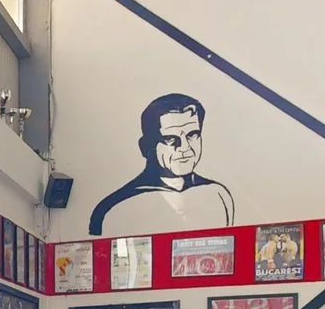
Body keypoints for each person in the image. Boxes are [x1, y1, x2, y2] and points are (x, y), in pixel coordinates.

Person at [88, 94, 237, 234]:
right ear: (146, 146)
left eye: (192, 135)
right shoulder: (114, 209)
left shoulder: (218, 194)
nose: (184, 148)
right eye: (170, 139)